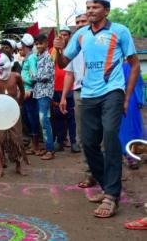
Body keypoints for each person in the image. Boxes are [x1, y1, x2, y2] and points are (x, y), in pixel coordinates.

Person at [54, 0, 140, 218]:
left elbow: (134, 64)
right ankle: (107, 186)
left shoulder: (119, 31)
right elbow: (64, 64)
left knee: (110, 137)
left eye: (94, 7)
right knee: (88, 143)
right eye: (88, 7)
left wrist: (127, 97)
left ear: (106, 10)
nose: (90, 10)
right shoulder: (81, 34)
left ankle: (112, 196)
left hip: (112, 91)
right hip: (88, 94)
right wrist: (59, 49)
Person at [59, 11, 95, 188]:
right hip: (80, 93)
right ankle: (90, 174)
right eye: (77, 21)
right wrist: (64, 96)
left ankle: (108, 174)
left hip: (102, 92)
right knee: (83, 136)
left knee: (104, 136)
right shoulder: (74, 45)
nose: (80, 23)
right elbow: (69, 73)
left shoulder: (100, 40)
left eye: (83, 20)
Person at [0, 54, 28, 177]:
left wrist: (19, 104)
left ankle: (19, 165)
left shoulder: (16, 76)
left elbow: (22, 92)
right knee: (0, 139)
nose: (1, 69)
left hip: (14, 112)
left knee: (16, 138)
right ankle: (1, 168)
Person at [51, 25, 80, 153]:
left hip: (70, 88)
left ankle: (74, 142)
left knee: (71, 116)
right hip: (56, 88)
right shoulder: (52, 50)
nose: (63, 37)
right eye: (61, 34)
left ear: (69, 36)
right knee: (58, 116)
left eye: (66, 35)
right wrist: (57, 50)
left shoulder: (73, 49)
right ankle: (60, 141)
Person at [31, 34, 55, 160]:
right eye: (36, 44)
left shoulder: (48, 57)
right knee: (43, 120)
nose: (38, 46)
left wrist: (33, 76)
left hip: (45, 92)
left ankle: (50, 150)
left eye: (40, 43)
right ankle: (47, 148)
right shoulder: (38, 57)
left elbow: (45, 76)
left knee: (44, 120)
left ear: (46, 44)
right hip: (38, 92)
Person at [118, 60, 145, 169]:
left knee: (119, 128)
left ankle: (122, 155)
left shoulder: (112, 63)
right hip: (130, 100)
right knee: (131, 129)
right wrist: (140, 100)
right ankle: (130, 156)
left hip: (115, 99)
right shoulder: (133, 65)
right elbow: (139, 84)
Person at [20, 34, 40, 154]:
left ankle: (35, 146)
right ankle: (33, 144)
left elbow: (34, 76)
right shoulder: (28, 57)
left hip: (30, 91)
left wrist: (23, 80)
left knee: (32, 117)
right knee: (27, 117)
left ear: (24, 45)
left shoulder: (31, 58)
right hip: (26, 91)